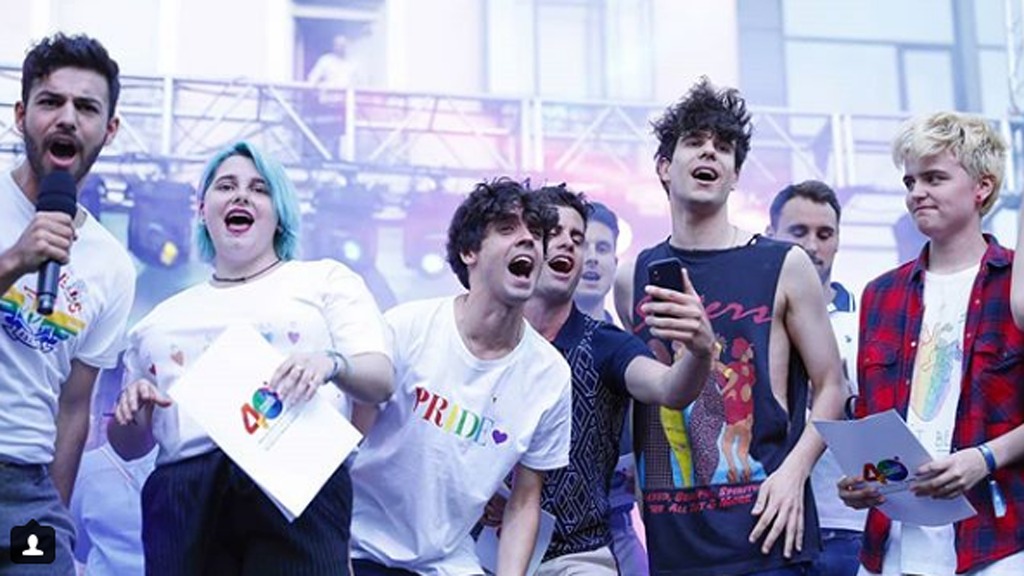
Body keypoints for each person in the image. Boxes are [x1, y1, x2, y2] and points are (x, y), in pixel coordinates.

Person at [108, 140, 394, 576]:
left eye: (259, 189)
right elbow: (129, 446)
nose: (241, 196)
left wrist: (330, 363)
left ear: (279, 213)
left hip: (296, 476)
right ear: (202, 209)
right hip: (184, 493)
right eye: (226, 186)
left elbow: (380, 379)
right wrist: (133, 413)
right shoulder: (157, 321)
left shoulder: (324, 281)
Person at [613, 77, 846, 575]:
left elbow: (832, 385)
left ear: (735, 175)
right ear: (664, 167)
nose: (709, 153)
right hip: (675, 540)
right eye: (695, 142)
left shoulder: (784, 264)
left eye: (723, 148)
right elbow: (646, 394)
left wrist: (795, 471)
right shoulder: (633, 276)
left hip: (766, 530)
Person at [348, 178, 572, 576]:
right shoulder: (407, 327)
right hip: (360, 548)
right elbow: (349, 444)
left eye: (536, 234)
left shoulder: (549, 375)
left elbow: (524, 501)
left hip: (447, 562)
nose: (527, 240)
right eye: (507, 228)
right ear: (469, 252)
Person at [488, 186, 711, 575]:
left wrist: (699, 349)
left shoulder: (607, 344)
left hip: (578, 555)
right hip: (478, 546)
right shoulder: (483, 337)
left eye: (578, 239)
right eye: (552, 233)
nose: (571, 246)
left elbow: (670, 388)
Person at [838, 112, 1024, 575]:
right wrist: (862, 482)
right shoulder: (880, 294)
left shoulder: (1015, 285)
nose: (916, 192)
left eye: (934, 178)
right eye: (910, 181)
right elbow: (875, 424)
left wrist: (984, 458)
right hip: (891, 547)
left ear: (982, 187)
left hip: (996, 543)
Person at [0, 33, 132, 575]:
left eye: (86, 107)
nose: (67, 118)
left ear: (109, 129)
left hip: (26, 492)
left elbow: (74, 408)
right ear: (21, 115)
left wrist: (51, 516)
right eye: (51, 101)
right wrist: (14, 261)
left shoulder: (112, 265)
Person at [767, 180, 863, 576]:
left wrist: (845, 402)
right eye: (798, 232)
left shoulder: (867, 322)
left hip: (845, 525)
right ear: (770, 234)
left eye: (824, 234)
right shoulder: (749, 323)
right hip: (765, 519)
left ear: (838, 241)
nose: (811, 245)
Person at [573, 199, 651, 574]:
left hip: (616, 528)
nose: (592, 258)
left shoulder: (632, 353)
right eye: (581, 245)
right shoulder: (527, 345)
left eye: (602, 248)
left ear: (615, 263)